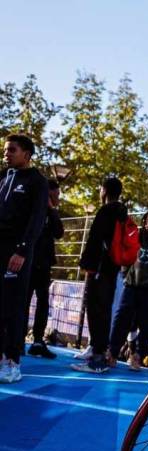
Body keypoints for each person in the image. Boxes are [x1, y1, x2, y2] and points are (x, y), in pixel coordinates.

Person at [0, 134, 49, 383]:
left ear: (26, 154)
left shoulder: (37, 182)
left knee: (13, 306)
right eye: (6, 150)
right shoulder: (3, 176)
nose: (6, 154)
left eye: (12, 150)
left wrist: (21, 250)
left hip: (17, 251)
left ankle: (13, 362)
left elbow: (37, 219)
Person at [71, 177, 128, 374]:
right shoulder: (122, 212)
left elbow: (96, 240)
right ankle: (97, 350)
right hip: (112, 268)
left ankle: (97, 358)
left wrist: (87, 265)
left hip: (100, 268)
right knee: (102, 310)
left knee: (97, 311)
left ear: (104, 190)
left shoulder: (106, 211)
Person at [109, 209, 148, 370]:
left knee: (146, 326)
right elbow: (125, 253)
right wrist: (125, 274)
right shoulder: (136, 237)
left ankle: (138, 357)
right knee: (121, 320)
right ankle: (112, 353)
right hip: (131, 286)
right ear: (144, 221)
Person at [24, 178, 65, 359]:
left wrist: (52, 209)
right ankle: (16, 340)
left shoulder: (51, 213)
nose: (58, 197)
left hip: (44, 264)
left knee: (42, 302)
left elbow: (59, 232)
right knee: (22, 302)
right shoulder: (31, 209)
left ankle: (38, 340)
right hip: (27, 262)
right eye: (56, 194)